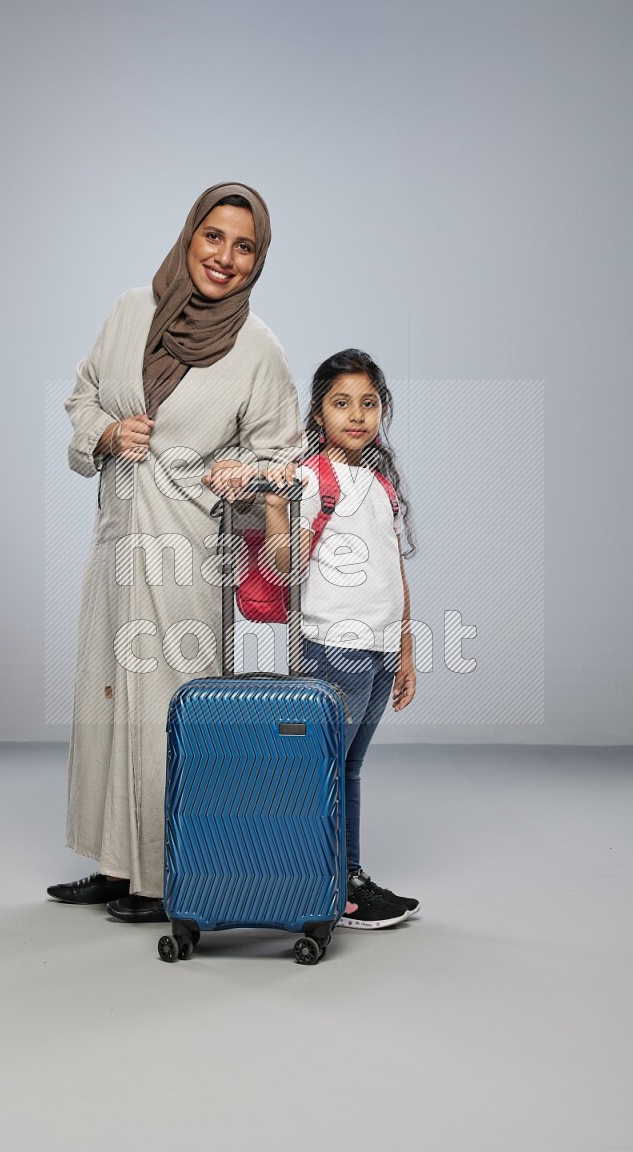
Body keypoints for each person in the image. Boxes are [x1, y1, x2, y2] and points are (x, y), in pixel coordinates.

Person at [47, 182, 301, 921]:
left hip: (187, 552)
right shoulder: (133, 312)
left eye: (244, 246)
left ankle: (165, 877)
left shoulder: (258, 349)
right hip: (117, 538)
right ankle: (113, 862)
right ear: (189, 235)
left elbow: (282, 459)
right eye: (214, 237)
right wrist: (104, 433)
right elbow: (83, 393)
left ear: (258, 261)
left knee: (168, 709)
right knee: (105, 698)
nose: (225, 257)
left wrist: (243, 475)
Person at [264, 349, 420, 929]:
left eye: (369, 402)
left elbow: (396, 572)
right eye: (341, 403)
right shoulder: (308, 477)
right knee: (322, 767)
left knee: (347, 767)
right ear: (318, 412)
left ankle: (345, 878)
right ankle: (319, 883)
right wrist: (278, 511)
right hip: (334, 645)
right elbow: (286, 564)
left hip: (378, 650)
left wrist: (405, 650)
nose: (357, 414)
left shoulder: (382, 482)